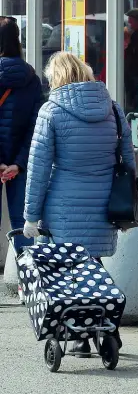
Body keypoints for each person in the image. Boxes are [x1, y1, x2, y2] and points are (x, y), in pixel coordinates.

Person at [23, 52, 135, 356]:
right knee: (94, 268)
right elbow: (129, 158)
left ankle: (77, 336)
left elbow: (38, 167)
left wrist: (31, 216)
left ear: (56, 77)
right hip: (105, 204)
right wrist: (126, 201)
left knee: (67, 271)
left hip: (63, 205)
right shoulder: (112, 108)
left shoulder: (52, 111)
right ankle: (104, 327)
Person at [0, 16, 43, 302]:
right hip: (18, 164)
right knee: (21, 223)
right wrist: (17, 163)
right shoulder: (32, 78)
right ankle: (29, 285)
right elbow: (35, 126)